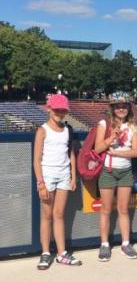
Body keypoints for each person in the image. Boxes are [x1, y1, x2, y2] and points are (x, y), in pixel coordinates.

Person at [33, 94, 82, 269]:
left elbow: (71, 154)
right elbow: (36, 160)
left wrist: (73, 176)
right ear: (49, 109)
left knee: (59, 215)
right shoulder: (42, 130)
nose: (60, 113)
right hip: (47, 177)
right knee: (47, 216)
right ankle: (46, 253)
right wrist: (41, 184)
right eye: (56, 109)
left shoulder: (67, 130)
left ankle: (62, 253)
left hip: (64, 177)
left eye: (63, 110)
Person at [95, 92, 137, 262]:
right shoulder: (103, 124)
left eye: (124, 106)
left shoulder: (132, 127)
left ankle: (126, 243)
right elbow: (98, 148)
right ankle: (104, 244)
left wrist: (116, 152)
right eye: (118, 106)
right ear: (112, 108)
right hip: (108, 170)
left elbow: (136, 152)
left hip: (125, 171)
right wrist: (112, 137)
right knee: (106, 209)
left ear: (129, 108)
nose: (121, 109)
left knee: (123, 209)